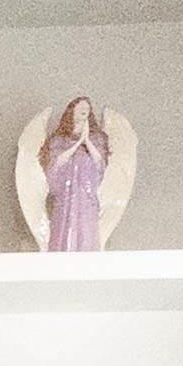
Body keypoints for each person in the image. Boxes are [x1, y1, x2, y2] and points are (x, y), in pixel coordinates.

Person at [40, 96, 111, 252]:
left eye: (87, 109)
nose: (84, 111)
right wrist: (78, 143)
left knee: (86, 232)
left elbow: (100, 164)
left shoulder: (97, 139)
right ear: (72, 112)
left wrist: (87, 141)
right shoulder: (59, 141)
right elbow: (56, 165)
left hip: (86, 198)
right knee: (64, 231)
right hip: (65, 198)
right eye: (80, 108)